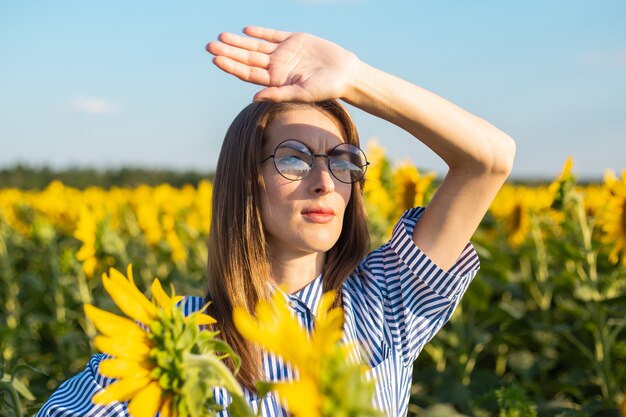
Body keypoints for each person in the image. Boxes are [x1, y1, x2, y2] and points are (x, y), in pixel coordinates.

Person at [36, 26, 515, 417]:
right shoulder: (171, 339)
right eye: (295, 159)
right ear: (247, 180)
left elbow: (489, 159)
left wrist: (354, 78)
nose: (326, 181)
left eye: (344, 161)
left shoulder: (387, 302)